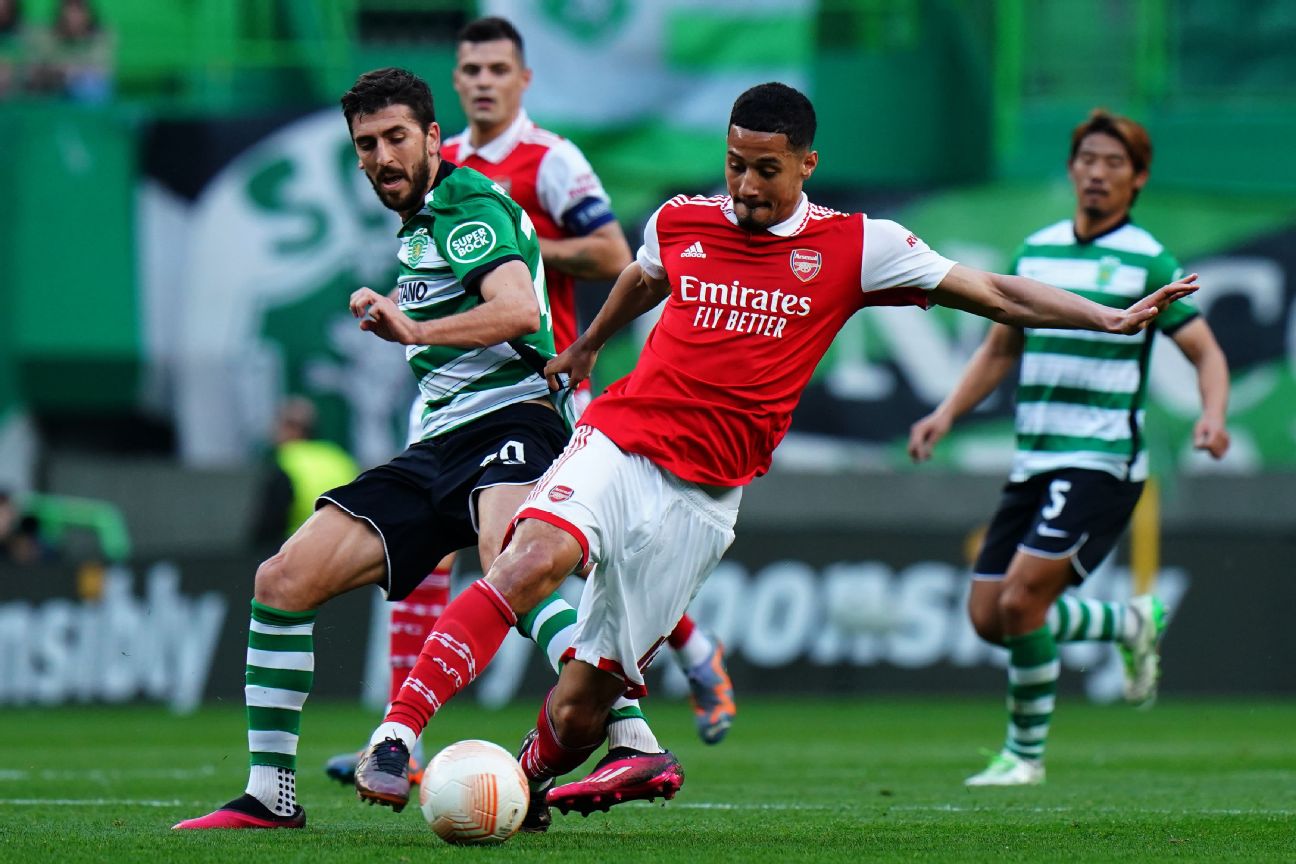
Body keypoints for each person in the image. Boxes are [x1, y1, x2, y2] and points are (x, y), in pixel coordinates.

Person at [351, 83, 1199, 823]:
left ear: (806, 165)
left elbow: (997, 293)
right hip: (620, 437)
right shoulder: (682, 218)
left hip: (704, 498)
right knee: (530, 553)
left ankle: (528, 783)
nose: (746, 186)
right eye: (734, 165)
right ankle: (397, 734)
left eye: (766, 170)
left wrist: (1109, 317)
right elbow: (643, 276)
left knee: (579, 709)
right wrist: (587, 349)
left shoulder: (858, 247)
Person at [322, 15, 736, 797]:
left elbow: (615, 255)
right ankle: (402, 733)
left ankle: (685, 651)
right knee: (439, 561)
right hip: (447, 385)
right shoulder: (431, 164)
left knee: (540, 553)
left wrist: (507, 246)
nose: (482, 80)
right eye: (469, 67)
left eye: (496, 68)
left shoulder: (549, 160)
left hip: (536, 379)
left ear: (522, 80)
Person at [174, 66, 596, 831]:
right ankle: (272, 795)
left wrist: (413, 326)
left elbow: (516, 306)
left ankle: (626, 724)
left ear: (433, 138)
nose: (380, 157)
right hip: (439, 443)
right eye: (365, 145)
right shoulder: (421, 224)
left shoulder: (466, 202)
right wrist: (399, 307)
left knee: (512, 560)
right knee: (283, 577)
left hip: (514, 421)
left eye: (396, 138)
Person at [908, 109, 1230, 787]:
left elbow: (1205, 352)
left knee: (1023, 603)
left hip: (1102, 458)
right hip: (1036, 457)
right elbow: (1000, 349)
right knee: (988, 616)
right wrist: (945, 413)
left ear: (1137, 178)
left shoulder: (1147, 259)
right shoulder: (1036, 251)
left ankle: (1024, 758)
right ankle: (1127, 621)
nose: (1097, 172)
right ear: (1072, 168)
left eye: (1114, 163)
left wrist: (1213, 414)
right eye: (1088, 159)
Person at [251, 396, 360, 552]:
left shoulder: (286, 461)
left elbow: (268, 525)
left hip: (298, 550)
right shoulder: (339, 457)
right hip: (345, 549)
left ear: (292, 428)